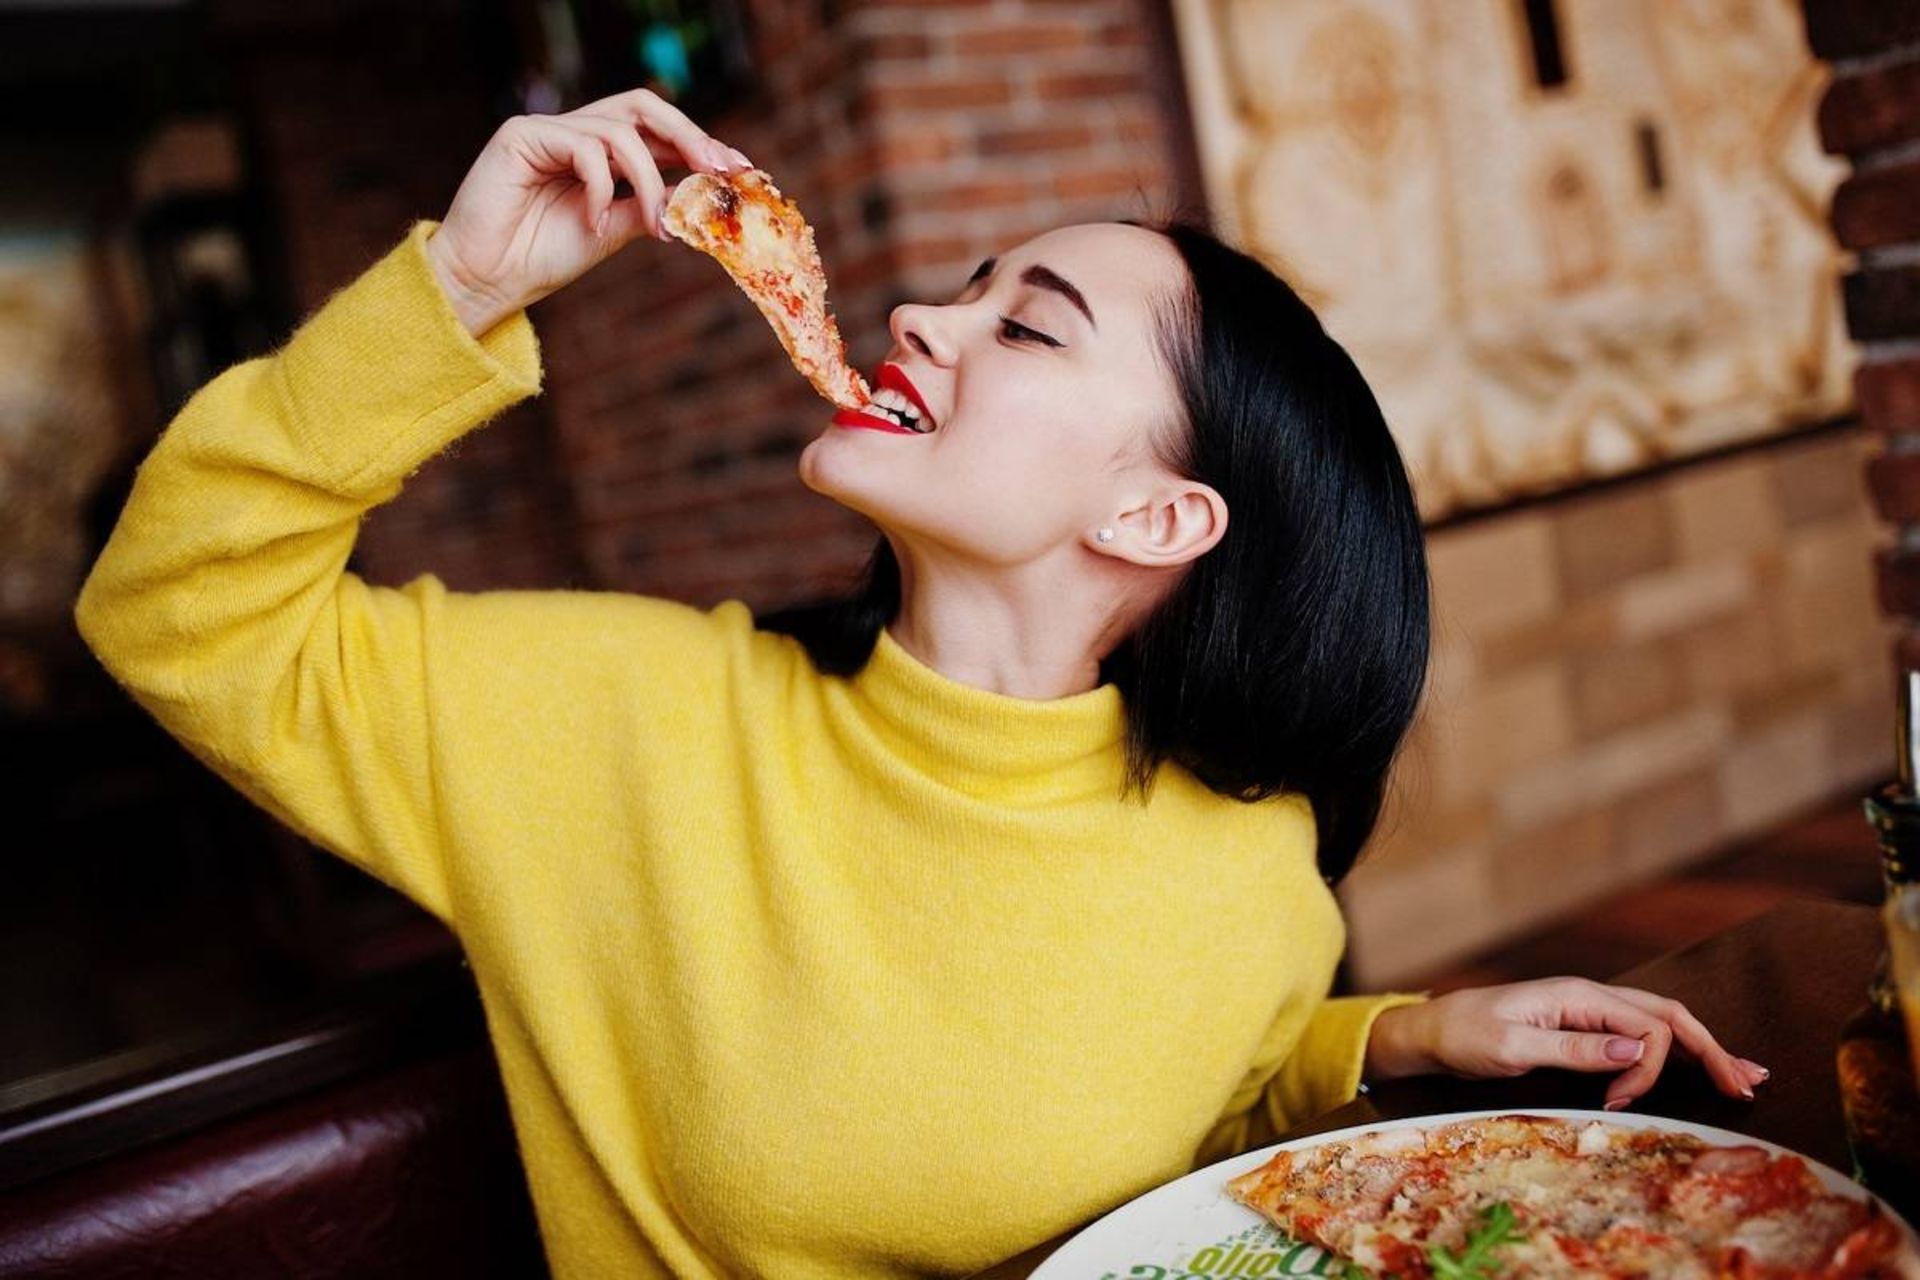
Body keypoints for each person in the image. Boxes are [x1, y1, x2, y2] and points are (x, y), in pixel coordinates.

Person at [74, 89, 1769, 1279]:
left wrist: (1391, 1036)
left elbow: (1194, 1094)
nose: (915, 319)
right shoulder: (614, 720)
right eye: (966, 289)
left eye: (1023, 326)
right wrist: (455, 291)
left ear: (1157, 517)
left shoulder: (1249, 863)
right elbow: (174, 612)